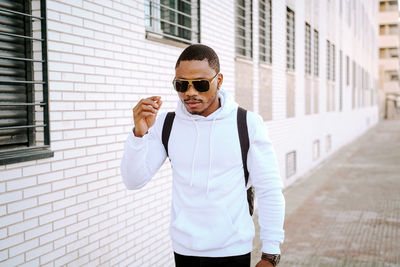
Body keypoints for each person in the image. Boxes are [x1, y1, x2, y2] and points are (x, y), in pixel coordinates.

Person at [121, 44, 285, 267]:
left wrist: (270, 254)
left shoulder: (246, 123)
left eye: (200, 84)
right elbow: (133, 180)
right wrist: (139, 134)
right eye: (181, 85)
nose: (190, 92)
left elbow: (270, 190)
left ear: (219, 80)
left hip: (232, 250)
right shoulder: (167, 124)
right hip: (183, 250)